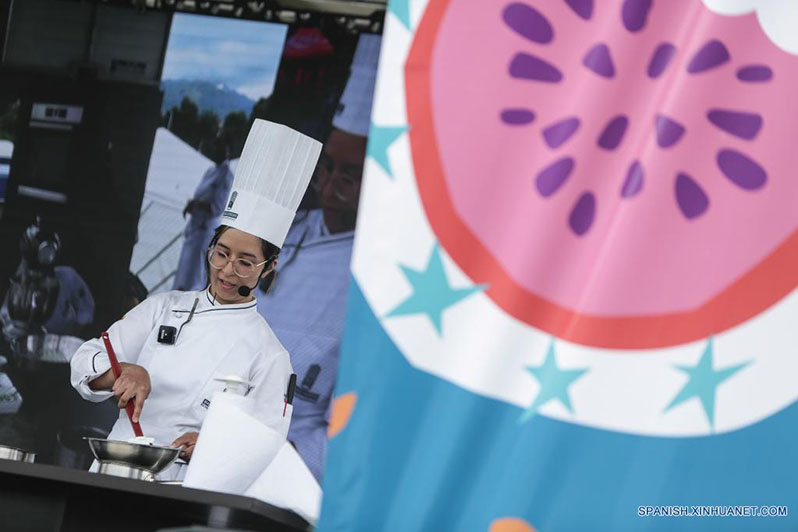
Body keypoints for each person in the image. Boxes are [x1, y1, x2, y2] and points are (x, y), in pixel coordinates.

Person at [70, 120, 321, 480]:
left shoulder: (270, 356)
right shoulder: (163, 308)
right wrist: (121, 373)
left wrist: (214, 444)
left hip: (183, 485)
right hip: (112, 470)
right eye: (221, 253)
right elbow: (84, 361)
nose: (227, 270)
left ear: (269, 267)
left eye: (245, 262)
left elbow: (266, 445)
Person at [257, 34, 381, 482]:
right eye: (326, 168)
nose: (329, 189)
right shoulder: (284, 234)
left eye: (349, 176)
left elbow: (359, 430)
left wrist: (271, 462)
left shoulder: (381, 274)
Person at [173, 138, 236, 291]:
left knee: (193, 275)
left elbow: (217, 208)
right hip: (195, 227)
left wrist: (197, 204)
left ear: (226, 152)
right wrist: (192, 204)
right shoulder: (211, 171)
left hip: (204, 230)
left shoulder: (226, 176)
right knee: (183, 274)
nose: (215, 151)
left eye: (219, 148)